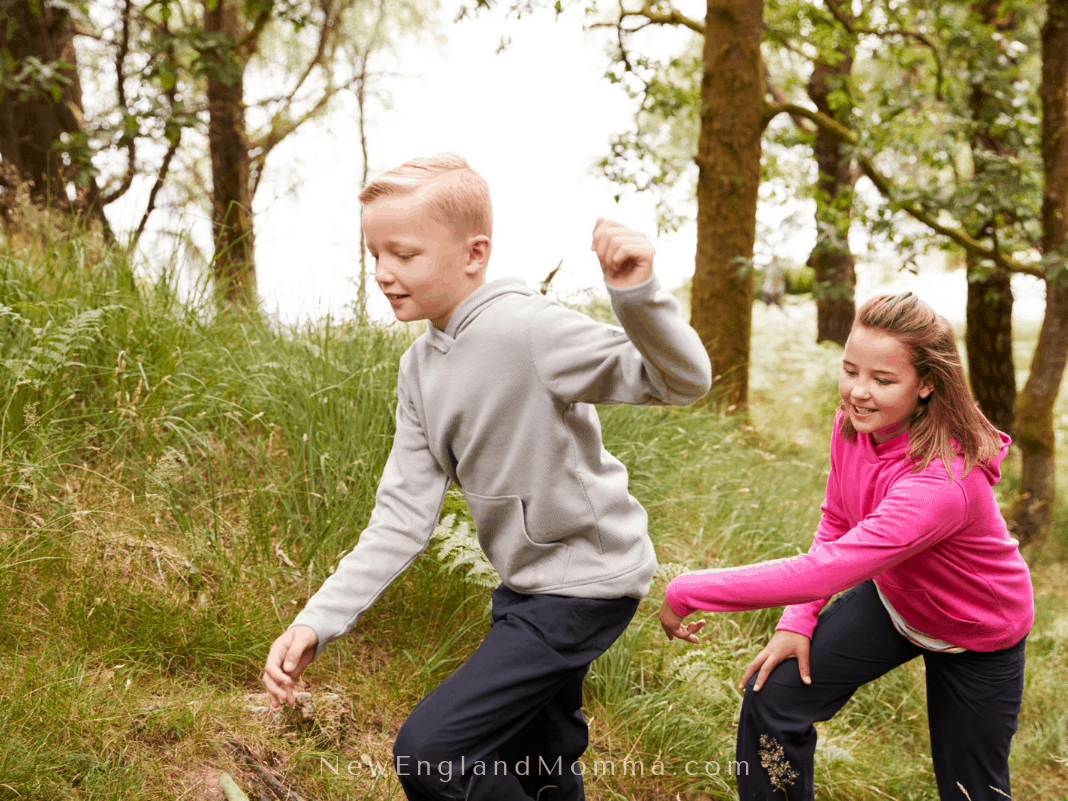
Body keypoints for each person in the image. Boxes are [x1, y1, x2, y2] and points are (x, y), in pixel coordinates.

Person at [261, 154, 713, 801]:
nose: (386, 273)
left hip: (584, 582)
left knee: (432, 753)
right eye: (376, 254)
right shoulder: (420, 369)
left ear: (474, 254)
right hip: (527, 587)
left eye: (406, 254)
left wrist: (637, 294)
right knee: (541, 759)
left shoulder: (529, 329)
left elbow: (681, 379)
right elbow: (401, 518)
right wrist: (317, 618)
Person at [659, 293, 1033, 801]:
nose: (858, 392)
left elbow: (825, 570)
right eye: (850, 370)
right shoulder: (853, 428)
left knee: (973, 790)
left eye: (882, 380)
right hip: (898, 602)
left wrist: (689, 588)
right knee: (772, 700)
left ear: (926, 384)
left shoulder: (943, 483)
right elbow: (836, 520)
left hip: (977, 631)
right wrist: (797, 622)